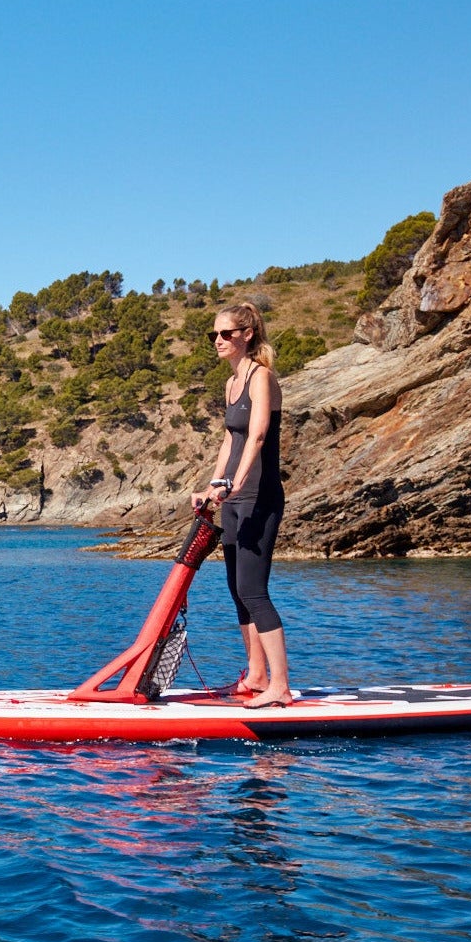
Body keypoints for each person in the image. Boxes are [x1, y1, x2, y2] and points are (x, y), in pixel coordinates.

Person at [191, 302, 292, 707]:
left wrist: (235, 482)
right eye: (213, 335)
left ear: (247, 335)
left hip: (259, 495)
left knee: (254, 590)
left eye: (226, 334)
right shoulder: (231, 384)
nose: (218, 341)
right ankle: (255, 674)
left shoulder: (261, 377)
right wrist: (214, 485)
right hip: (233, 497)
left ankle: (280, 686)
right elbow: (231, 439)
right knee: (237, 590)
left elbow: (258, 436)